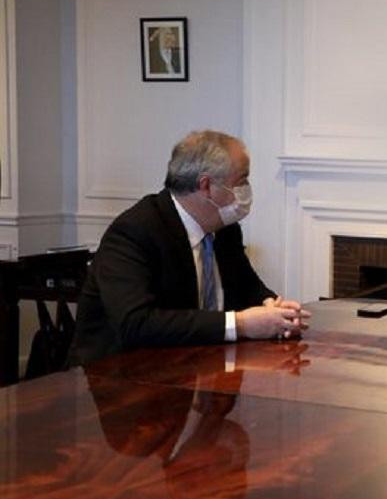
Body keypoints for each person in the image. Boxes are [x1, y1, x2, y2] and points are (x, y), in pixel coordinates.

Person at [68, 130, 309, 366]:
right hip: (120, 377)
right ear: (206, 186)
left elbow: (247, 287)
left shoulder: (224, 229)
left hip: (199, 366)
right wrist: (241, 324)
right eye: (241, 180)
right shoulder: (135, 231)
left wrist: (274, 310)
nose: (246, 190)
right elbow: (136, 323)